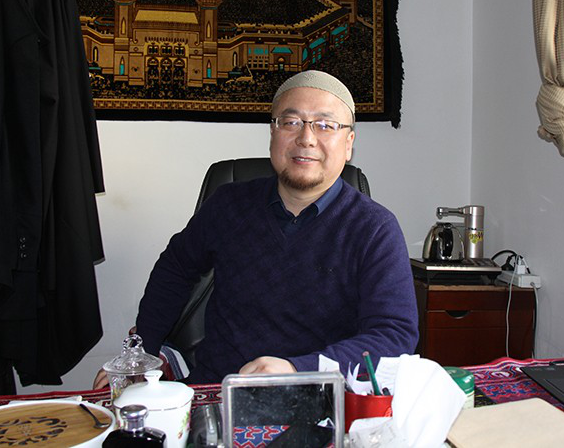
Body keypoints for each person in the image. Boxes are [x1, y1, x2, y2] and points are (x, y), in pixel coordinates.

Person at [95, 70, 418, 387]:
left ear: (348, 144)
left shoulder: (374, 229)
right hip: (217, 392)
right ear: (273, 134)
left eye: (325, 125)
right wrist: (143, 353)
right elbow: (175, 268)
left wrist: (298, 369)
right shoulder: (228, 205)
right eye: (291, 122)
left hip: (321, 397)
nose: (306, 138)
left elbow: (394, 335)